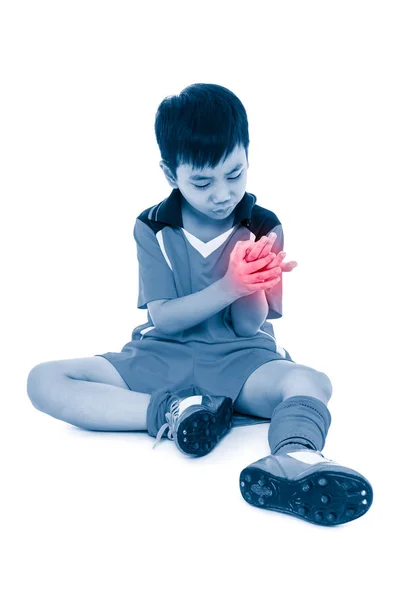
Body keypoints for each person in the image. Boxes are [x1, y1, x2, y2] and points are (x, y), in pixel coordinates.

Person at [26, 82, 373, 527]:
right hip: (161, 355)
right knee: (44, 379)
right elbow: (164, 318)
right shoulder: (152, 226)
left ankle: (296, 456)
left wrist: (252, 283)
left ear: (248, 157)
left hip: (240, 359)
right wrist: (229, 284)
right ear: (171, 175)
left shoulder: (263, 226)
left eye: (235, 174)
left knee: (311, 381)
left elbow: (249, 329)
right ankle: (175, 410)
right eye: (203, 182)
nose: (222, 194)